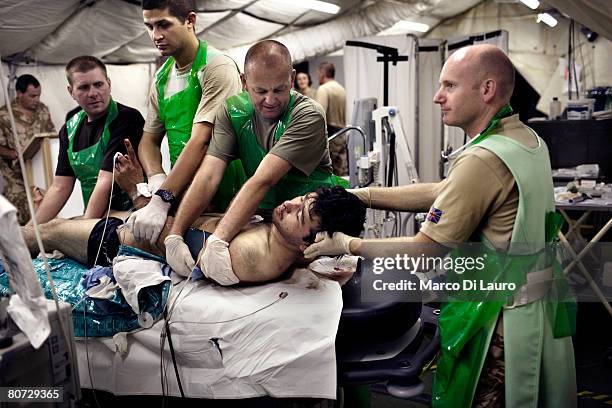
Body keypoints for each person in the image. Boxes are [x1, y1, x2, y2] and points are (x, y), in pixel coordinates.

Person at [304, 44, 576, 407]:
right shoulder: (524, 140)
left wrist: (346, 245)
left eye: (449, 86)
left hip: (501, 319)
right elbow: (444, 191)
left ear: (487, 90)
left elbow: (425, 251)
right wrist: (363, 194)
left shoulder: (483, 159)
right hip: (539, 300)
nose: (437, 97)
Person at [152, 40, 347, 281]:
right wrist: (176, 234)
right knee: (165, 230)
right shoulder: (232, 112)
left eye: (279, 89)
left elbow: (263, 179)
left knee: (242, 255)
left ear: (292, 78)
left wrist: (219, 239)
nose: (270, 100)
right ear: (244, 83)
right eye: (260, 91)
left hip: (305, 226)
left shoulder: (308, 114)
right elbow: (209, 174)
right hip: (267, 217)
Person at [22, 186, 365, 284]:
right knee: (57, 227)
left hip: (118, 242)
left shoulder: (251, 254)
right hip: (137, 226)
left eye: (299, 214)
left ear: (309, 242)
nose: (289, 204)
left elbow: (164, 240)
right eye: (300, 199)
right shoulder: (283, 242)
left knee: (48, 231)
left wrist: (140, 197)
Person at [124, 0, 243, 243]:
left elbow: (202, 140)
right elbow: (148, 140)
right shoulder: (161, 78)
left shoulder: (216, 66)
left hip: (225, 193)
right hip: (181, 191)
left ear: (190, 21)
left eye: (163, 25)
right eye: (149, 26)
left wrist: (162, 199)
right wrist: (156, 177)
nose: (155, 35)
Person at [31, 56, 144, 225]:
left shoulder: (127, 118)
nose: (93, 93)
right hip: (94, 216)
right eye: (83, 88)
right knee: (44, 232)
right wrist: (30, 231)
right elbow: (60, 187)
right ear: (71, 92)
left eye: (98, 84)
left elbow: (105, 181)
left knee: (60, 230)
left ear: (109, 83)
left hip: (129, 214)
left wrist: (83, 230)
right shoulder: (68, 130)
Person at [0, 74, 56, 224]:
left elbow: (50, 134)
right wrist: (12, 154)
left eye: (38, 95)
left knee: (46, 212)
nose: (37, 99)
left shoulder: (43, 110)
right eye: (32, 96)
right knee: (23, 217)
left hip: (40, 174)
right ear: (19, 93)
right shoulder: (5, 115)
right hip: (16, 179)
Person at [315, 61, 347, 176]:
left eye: (318, 73)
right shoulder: (342, 89)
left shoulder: (323, 89)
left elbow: (319, 115)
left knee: (329, 175)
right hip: (342, 134)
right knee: (341, 173)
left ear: (323, 73)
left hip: (331, 136)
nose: (317, 76)